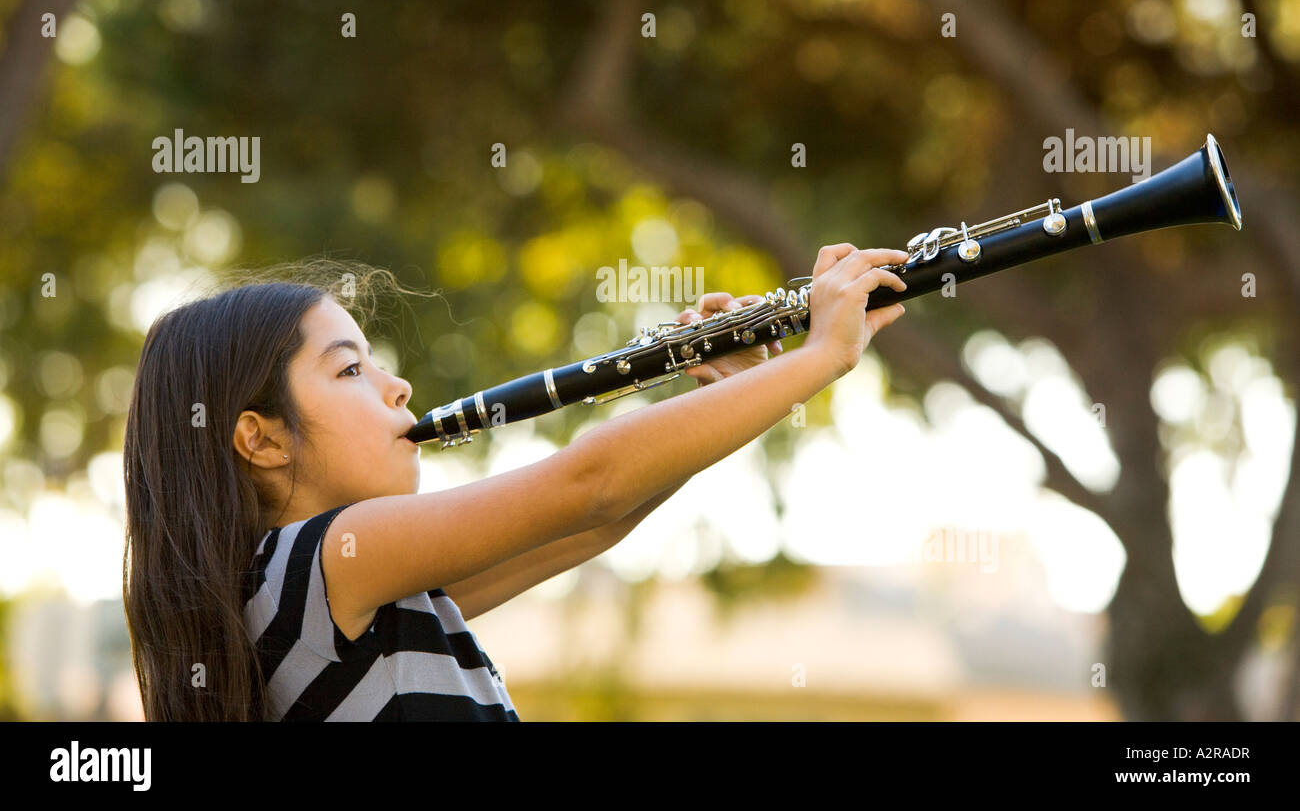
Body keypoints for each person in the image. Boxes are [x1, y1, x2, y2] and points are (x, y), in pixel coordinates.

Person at [121, 245, 907, 720]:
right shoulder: (328, 563)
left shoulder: (346, 592)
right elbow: (586, 482)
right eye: (352, 370)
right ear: (261, 439)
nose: (397, 389)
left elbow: (593, 522)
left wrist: (718, 396)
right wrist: (819, 358)